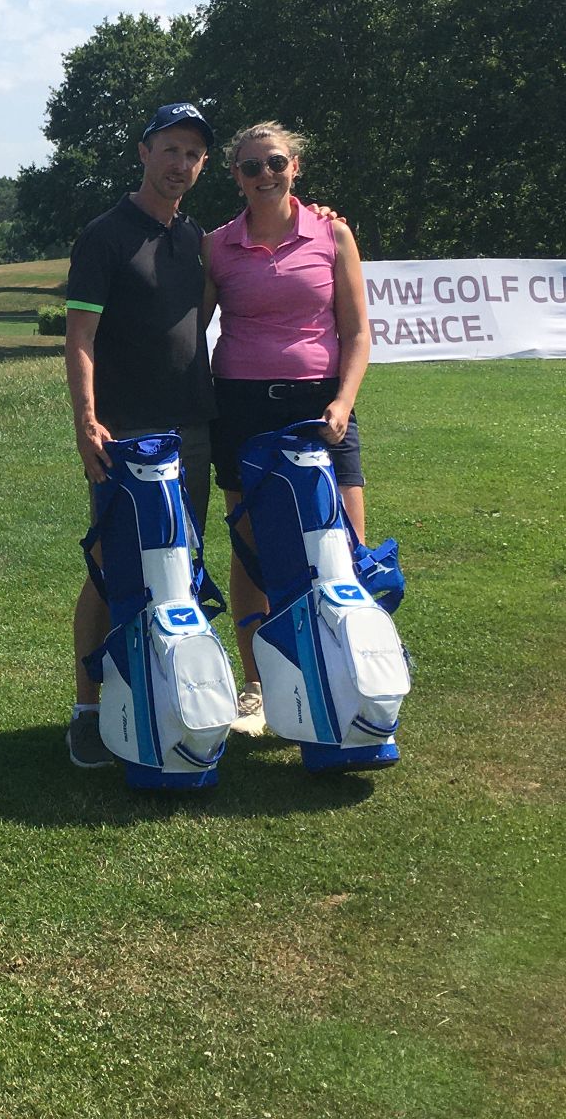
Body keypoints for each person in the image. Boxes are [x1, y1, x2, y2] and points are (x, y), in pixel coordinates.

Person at [201, 122, 373, 737]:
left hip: (322, 407)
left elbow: (357, 332)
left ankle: (347, 678)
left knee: (345, 546)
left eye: (275, 162)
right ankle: (258, 689)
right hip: (243, 406)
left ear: (294, 166)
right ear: (236, 177)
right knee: (252, 550)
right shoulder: (216, 246)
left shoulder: (332, 232)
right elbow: (187, 330)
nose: (265, 175)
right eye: (251, 167)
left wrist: (344, 402)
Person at [63, 102, 217, 769]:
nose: (181, 163)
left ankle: (159, 698)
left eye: (193, 154)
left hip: (191, 430)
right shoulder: (105, 236)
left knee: (179, 569)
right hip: (126, 435)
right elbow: (80, 337)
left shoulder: (195, 237)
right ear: (144, 152)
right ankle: (88, 710)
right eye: (170, 149)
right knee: (111, 571)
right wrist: (86, 420)